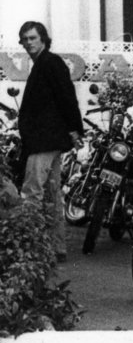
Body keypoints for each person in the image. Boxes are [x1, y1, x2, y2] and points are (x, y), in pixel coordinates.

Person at [16, 21, 84, 263]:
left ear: (43, 38)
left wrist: (75, 128)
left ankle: (28, 247)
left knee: (32, 192)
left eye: (32, 37)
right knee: (52, 195)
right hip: (50, 139)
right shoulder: (43, 64)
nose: (28, 43)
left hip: (44, 140)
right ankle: (56, 247)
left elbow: (67, 96)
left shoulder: (50, 62)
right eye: (24, 39)